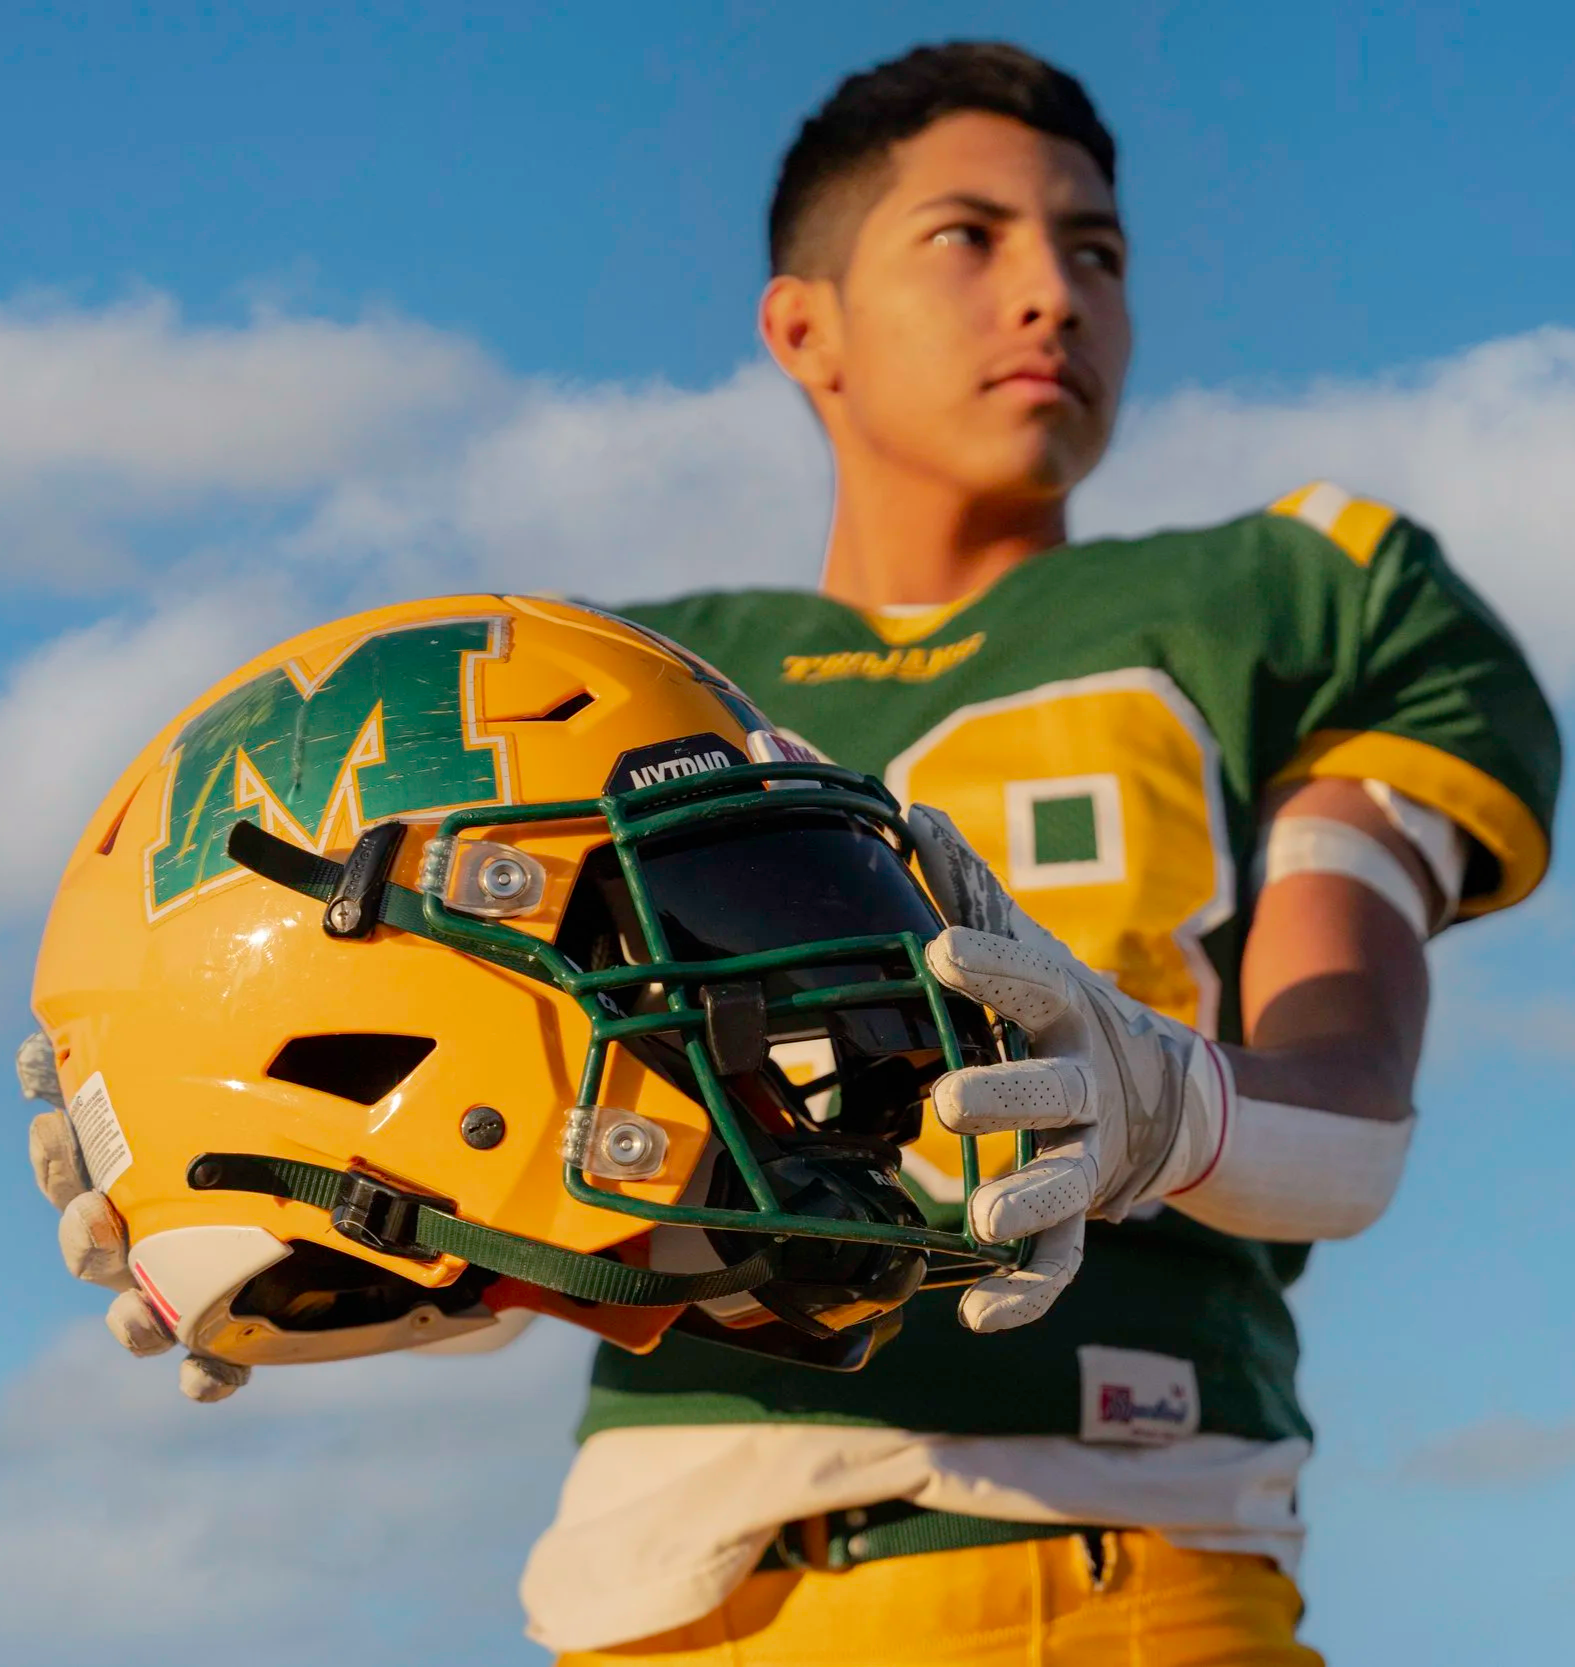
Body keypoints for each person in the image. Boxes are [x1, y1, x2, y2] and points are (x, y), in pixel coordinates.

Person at [20, 39, 1561, 1667]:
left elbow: (1350, 1125)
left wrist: (1170, 1104)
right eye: (968, 236)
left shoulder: (1293, 599)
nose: (1052, 295)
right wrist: (311, 1200)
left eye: (1097, 251)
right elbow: (546, 1198)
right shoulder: (600, 692)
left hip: (1101, 1565)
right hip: (651, 1602)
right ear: (801, 325)